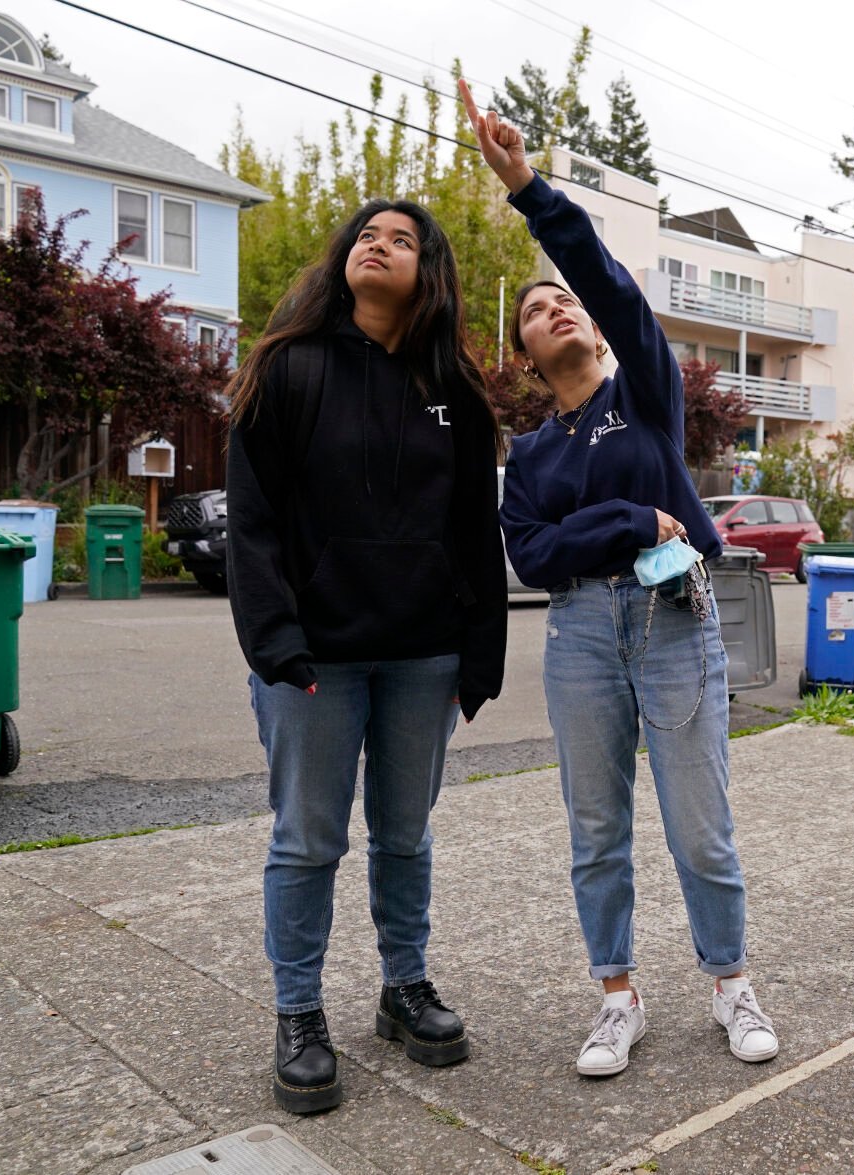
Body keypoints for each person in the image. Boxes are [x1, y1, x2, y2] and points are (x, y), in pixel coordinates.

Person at [460, 79, 779, 1078]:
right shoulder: (531, 452)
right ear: (524, 353)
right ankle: (614, 996)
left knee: (701, 823)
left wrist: (528, 188)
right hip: (580, 638)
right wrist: (624, 518)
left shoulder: (642, 393)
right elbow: (532, 555)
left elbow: (606, 279)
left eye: (564, 299)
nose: (554, 306)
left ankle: (729, 983)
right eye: (534, 310)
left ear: (593, 328)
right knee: (595, 826)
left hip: (671, 620)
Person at [224, 197, 507, 1113]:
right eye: (369, 235)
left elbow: (473, 532)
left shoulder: (453, 394)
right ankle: (298, 1013)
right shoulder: (290, 367)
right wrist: (273, 642)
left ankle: (404, 987)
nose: (380, 246)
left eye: (404, 240)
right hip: (315, 660)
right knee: (307, 840)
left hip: (422, 657)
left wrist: (479, 657)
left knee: (405, 834)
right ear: (345, 256)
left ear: (429, 273)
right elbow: (254, 522)